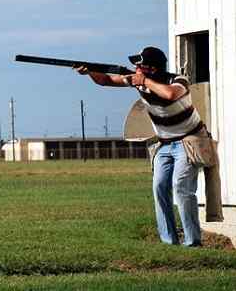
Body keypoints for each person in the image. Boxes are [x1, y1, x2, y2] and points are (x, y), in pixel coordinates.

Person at [75, 46, 208, 246]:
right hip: (164, 143)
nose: (136, 68)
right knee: (159, 187)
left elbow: (171, 94)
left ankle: (193, 242)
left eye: (140, 65)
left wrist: (144, 81)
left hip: (189, 141)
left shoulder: (178, 80)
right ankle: (168, 241)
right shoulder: (138, 81)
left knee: (181, 188)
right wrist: (89, 71)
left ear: (152, 69)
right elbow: (106, 80)